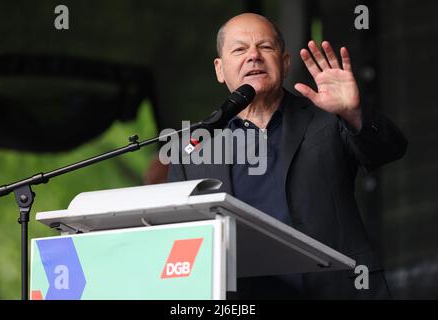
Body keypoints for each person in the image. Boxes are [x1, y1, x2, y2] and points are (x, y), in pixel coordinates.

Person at [167, 13, 407, 299]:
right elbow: (182, 243)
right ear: (220, 69)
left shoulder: (328, 119)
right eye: (240, 49)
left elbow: (389, 149)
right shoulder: (192, 150)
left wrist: (353, 113)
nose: (254, 56)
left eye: (265, 47)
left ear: (285, 62)